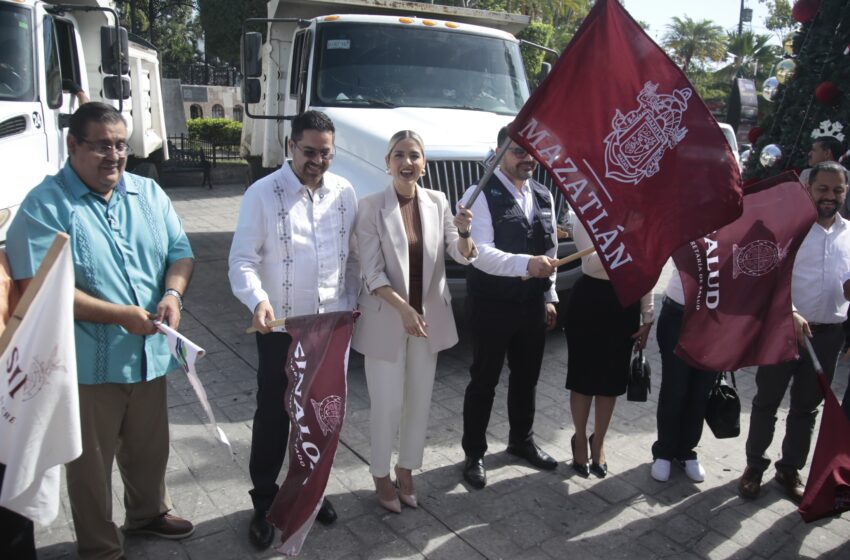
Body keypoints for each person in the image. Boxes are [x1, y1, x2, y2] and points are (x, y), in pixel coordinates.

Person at [5, 102, 195, 560]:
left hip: (150, 354)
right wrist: (118, 314)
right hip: (87, 364)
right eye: (102, 146)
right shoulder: (45, 204)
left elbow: (181, 250)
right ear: (73, 145)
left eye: (121, 146)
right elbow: (39, 289)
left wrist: (173, 295)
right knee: (90, 464)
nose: (114, 156)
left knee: (150, 448)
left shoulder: (147, 193)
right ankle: (99, 546)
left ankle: (147, 512)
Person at [228, 110, 358, 550]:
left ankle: (311, 490)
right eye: (309, 152)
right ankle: (264, 500)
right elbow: (241, 260)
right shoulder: (262, 194)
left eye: (326, 153)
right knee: (274, 414)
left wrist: (354, 304)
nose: (317, 161)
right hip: (281, 328)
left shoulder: (344, 192)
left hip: (329, 327)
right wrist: (258, 301)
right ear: (289, 146)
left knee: (320, 414)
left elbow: (352, 257)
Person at [352, 130, 477, 512]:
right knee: (387, 405)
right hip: (386, 321)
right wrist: (403, 309)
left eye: (415, 155)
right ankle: (379, 473)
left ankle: (407, 470)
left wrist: (466, 231)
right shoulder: (371, 206)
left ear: (424, 164)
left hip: (429, 321)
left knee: (418, 402)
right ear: (387, 162)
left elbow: (462, 253)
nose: (408, 162)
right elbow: (371, 273)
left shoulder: (438, 202)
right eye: (400, 155)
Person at [739, 161, 850, 503]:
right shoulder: (790, 229)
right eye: (823, 189)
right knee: (766, 401)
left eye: (837, 190)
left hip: (829, 336)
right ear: (809, 190)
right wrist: (790, 312)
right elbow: (763, 277)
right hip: (783, 329)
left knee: (807, 407)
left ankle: (789, 469)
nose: (830, 197)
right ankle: (754, 467)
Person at [458, 126, 560, 489]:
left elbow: (549, 249)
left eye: (530, 151)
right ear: (499, 152)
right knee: (484, 380)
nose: (527, 158)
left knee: (527, 378)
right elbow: (479, 254)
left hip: (531, 304)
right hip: (492, 305)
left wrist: (549, 297)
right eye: (518, 151)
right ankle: (474, 453)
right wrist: (525, 265)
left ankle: (521, 440)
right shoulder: (479, 194)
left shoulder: (543, 194)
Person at [564, 219, 653, 479]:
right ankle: (580, 439)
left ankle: (598, 441)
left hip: (625, 304)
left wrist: (648, 314)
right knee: (581, 380)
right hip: (588, 301)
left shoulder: (641, 217)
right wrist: (630, 247)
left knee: (611, 382)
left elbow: (648, 270)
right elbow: (590, 262)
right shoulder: (587, 210)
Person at [649, 266, 716, 483]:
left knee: (701, 389)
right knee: (675, 387)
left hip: (715, 318)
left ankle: (687, 450)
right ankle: (664, 450)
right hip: (678, 313)